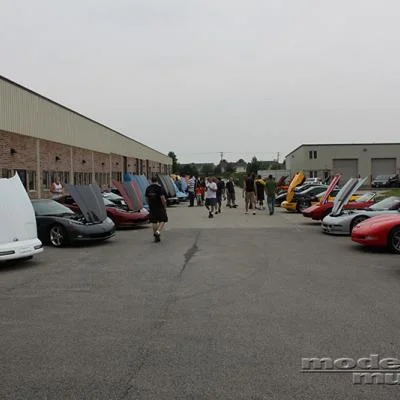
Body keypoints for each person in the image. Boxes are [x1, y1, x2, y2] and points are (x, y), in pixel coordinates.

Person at [145, 175, 168, 242]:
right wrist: (165, 206)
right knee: (163, 219)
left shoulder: (148, 188)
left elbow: (146, 198)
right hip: (159, 206)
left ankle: (156, 237)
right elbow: (162, 198)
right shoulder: (159, 188)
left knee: (154, 221)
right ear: (157, 181)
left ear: (151, 181)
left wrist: (149, 204)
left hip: (152, 207)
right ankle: (158, 232)